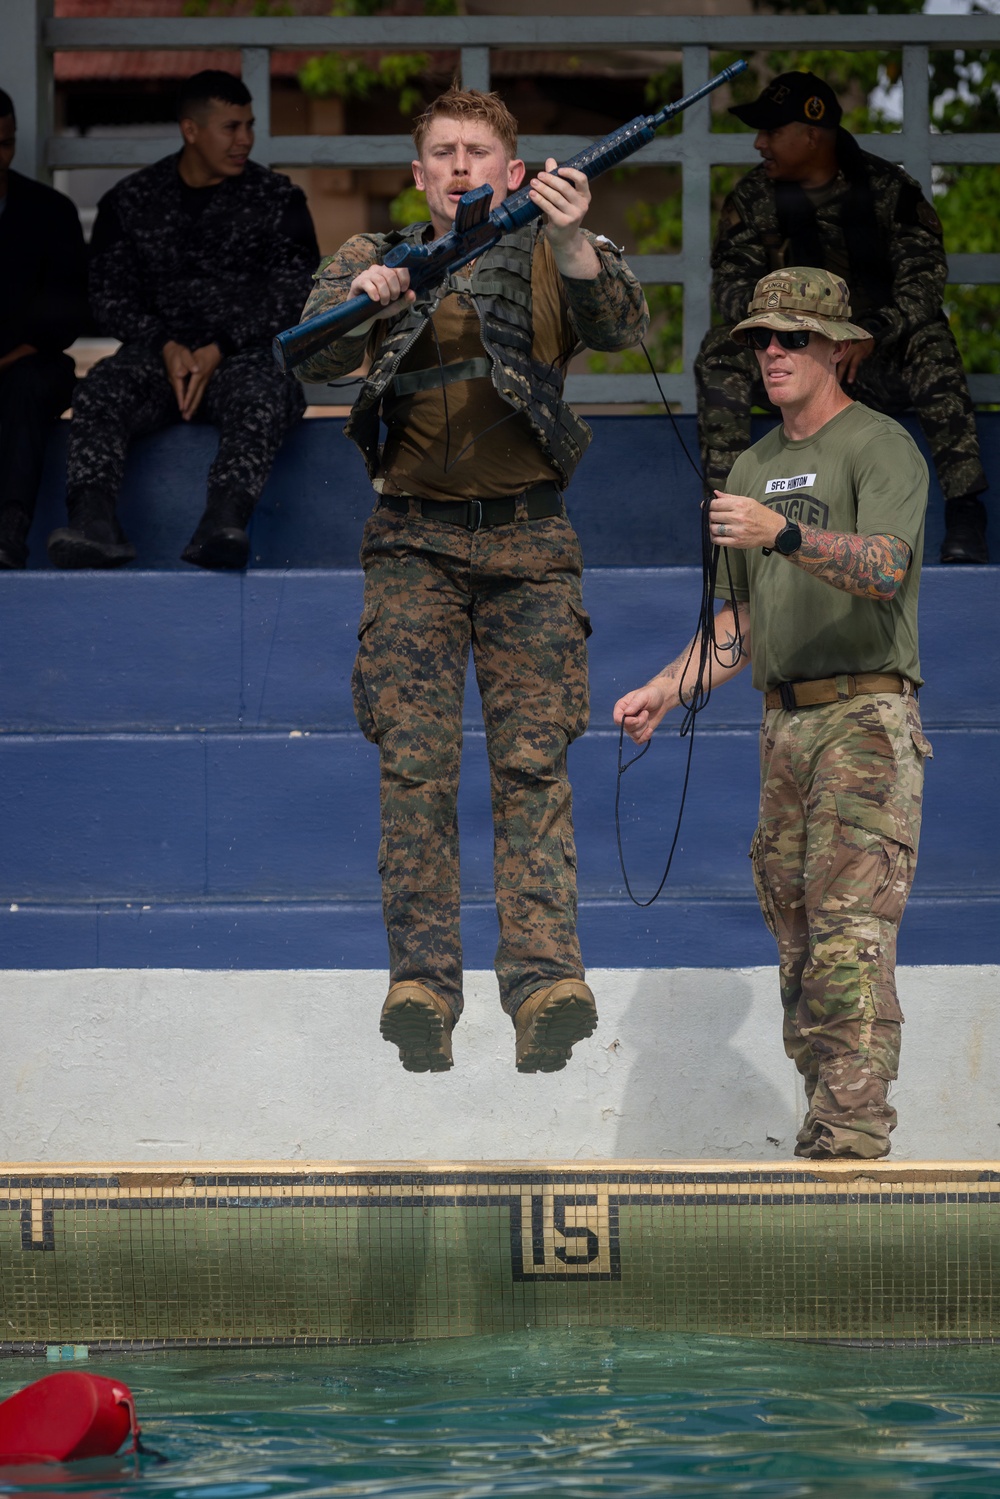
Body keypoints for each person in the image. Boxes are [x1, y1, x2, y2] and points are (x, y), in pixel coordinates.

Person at [294, 87, 648, 1074]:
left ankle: (543, 985)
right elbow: (305, 358)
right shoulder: (376, 259)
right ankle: (424, 987)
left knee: (533, 767)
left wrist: (577, 243)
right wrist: (358, 304)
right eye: (442, 152)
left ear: (511, 166)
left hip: (529, 542)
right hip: (413, 544)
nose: (459, 166)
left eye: (477, 151)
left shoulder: (550, 246)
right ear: (418, 174)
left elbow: (623, 325)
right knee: (416, 771)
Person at [616, 267, 931, 1161]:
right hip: (783, 724)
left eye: (793, 337)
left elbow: (885, 568)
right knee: (796, 937)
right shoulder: (751, 466)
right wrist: (665, 688)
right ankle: (827, 1125)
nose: (774, 353)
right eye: (762, 338)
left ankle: (854, 1135)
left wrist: (782, 532)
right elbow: (739, 625)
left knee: (849, 936)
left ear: (841, 349)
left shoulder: (879, 446)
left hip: (866, 714)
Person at [695, 71, 989, 565]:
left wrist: (872, 332)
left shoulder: (888, 189)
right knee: (720, 349)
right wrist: (795, 331)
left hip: (871, 360)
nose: (759, 143)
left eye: (771, 131)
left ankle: (965, 512)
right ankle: (727, 513)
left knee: (932, 342)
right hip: (793, 357)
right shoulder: (753, 198)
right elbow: (730, 287)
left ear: (811, 136)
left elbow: (925, 279)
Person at [48, 70, 318, 571]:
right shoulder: (130, 202)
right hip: (156, 362)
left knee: (267, 388)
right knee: (100, 389)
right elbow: (107, 295)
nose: (245, 140)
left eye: (249, 126)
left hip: (241, 359)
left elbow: (293, 293)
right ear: (190, 130)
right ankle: (93, 523)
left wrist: (219, 345)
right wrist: (165, 344)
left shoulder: (277, 199)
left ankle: (222, 522)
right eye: (230, 127)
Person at [0, 87, 88, 569]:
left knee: (29, 383)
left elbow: (68, 312)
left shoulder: (48, 211)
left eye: (5, 144)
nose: (0, 157)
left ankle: (10, 532)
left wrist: (11, 356)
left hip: (31, 362)